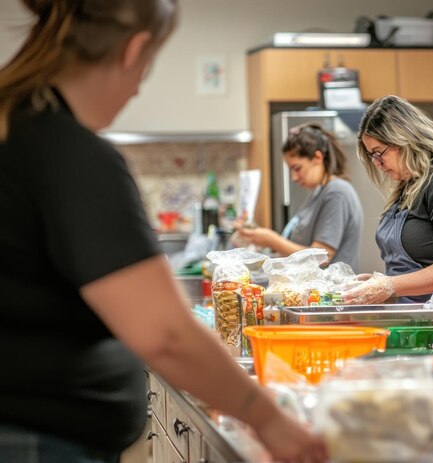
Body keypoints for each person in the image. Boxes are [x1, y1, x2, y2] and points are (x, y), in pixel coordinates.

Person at [0, 2, 327, 462]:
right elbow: (163, 334)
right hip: (35, 441)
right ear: (134, 51)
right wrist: (267, 418)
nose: (137, 89)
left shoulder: (18, 130)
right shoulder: (66, 153)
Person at [342, 95, 433, 304]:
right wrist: (379, 283)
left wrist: (390, 286)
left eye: (378, 153)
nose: (378, 164)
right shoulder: (408, 186)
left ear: (404, 140)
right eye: (372, 157)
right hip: (416, 316)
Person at [234, 123, 364, 268]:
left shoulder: (337, 193)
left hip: (332, 289)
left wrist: (272, 240)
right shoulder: (318, 193)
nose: (294, 177)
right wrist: (255, 234)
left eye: (297, 168)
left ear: (317, 157)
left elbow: (321, 257)